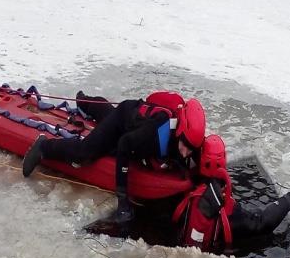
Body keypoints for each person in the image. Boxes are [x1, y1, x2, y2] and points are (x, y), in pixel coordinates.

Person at [22, 90, 206, 223]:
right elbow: (125, 144)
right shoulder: (154, 134)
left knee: (109, 115)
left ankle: (85, 102)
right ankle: (44, 146)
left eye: (191, 149)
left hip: (134, 116)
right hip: (125, 121)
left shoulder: (188, 138)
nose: (186, 152)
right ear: (180, 133)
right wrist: (123, 199)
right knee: (85, 153)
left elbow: (197, 156)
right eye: (185, 147)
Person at [173, 134, 290, 254]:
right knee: (257, 223)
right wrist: (288, 201)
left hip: (187, 243)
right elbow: (262, 224)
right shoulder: (227, 209)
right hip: (222, 235)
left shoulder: (184, 186)